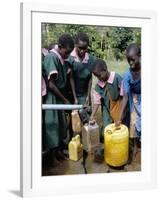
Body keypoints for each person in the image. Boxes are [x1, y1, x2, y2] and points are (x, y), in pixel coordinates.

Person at [43, 34, 77, 167]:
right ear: (60, 47)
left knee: (61, 125)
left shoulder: (62, 58)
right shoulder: (52, 57)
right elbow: (51, 84)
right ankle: (52, 156)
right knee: (52, 127)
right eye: (67, 52)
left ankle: (58, 152)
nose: (68, 55)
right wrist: (65, 100)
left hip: (59, 96)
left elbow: (68, 77)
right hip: (52, 98)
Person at [115, 44, 141, 163]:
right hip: (134, 99)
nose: (130, 62)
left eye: (133, 59)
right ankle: (135, 146)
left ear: (140, 56)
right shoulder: (126, 75)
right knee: (134, 123)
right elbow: (125, 96)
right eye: (128, 60)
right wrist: (119, 117)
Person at [90, 58, 125, 141]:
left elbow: (124, 96)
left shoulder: (117, 78)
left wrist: (121, 114)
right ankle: (109, 142)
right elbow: (96, 102)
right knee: (107, 129)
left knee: (119, 127)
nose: (98, 78)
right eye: (96, 76)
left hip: (118, 105)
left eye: (99, 75)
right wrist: (92, 115)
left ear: (105, 70)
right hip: (106, 109)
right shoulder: (98, 86)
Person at [67, 32, 95, 105]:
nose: (82, 51)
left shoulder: (91, 59)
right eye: (80, 48)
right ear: (75, 45)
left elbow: (90, 78)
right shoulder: (69, 58)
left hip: (84, 95)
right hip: (70, 94)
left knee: (86, 114)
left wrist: (88, 96)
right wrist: (75, 98)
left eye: (84, 48)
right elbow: (71, 78)